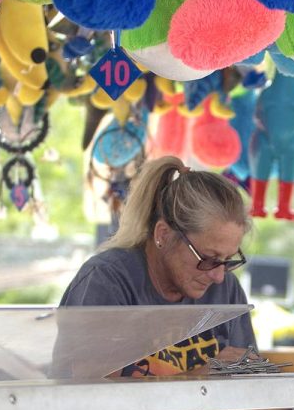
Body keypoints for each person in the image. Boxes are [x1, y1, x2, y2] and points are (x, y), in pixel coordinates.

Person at [61, 156, 257, 376]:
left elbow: (246, 388)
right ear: (163, 234)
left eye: (228, 260)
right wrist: (198, 378)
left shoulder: (225, 289)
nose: (219, 276)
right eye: (208, 258)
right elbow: (92, 396)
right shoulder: (106, 281)